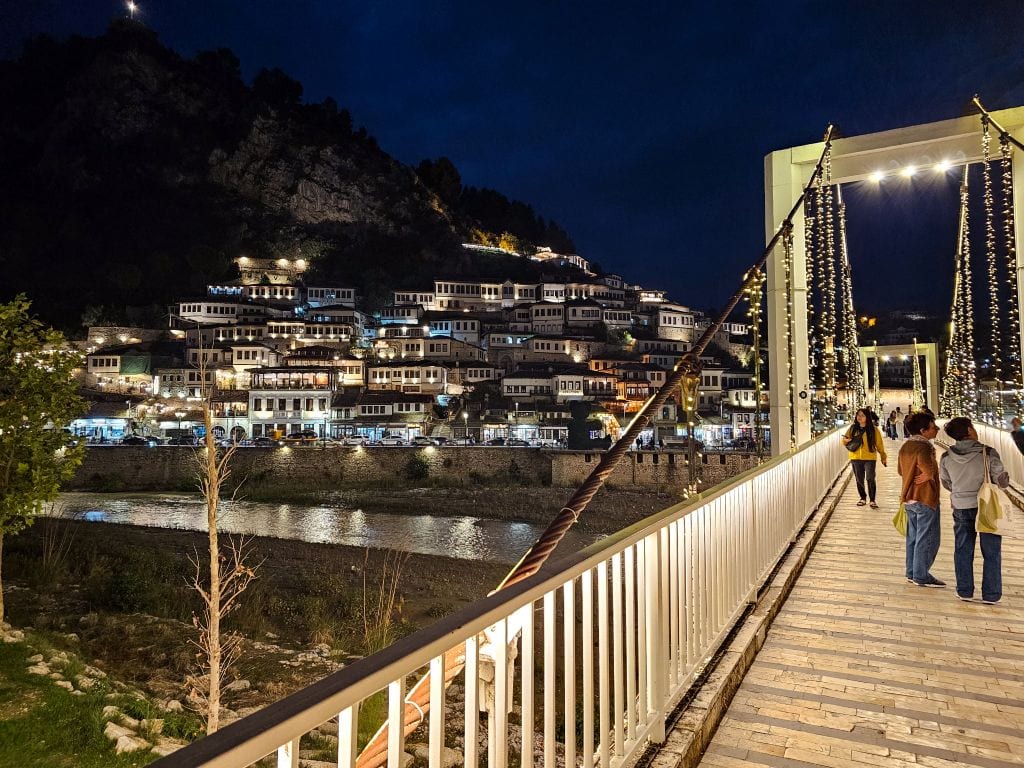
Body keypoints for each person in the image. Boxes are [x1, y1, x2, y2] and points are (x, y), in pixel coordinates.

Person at [940, 417, 1009, 604]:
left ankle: (964, 591)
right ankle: (991, 594)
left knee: (962, 550)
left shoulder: (946, 457)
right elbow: (1002, 481)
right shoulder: (988, 452)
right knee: (992, 552)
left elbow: (946, 483)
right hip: (987, 507)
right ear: (970, 430)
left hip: (961, 506)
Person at [898, 411, 943, 588]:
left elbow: (900, 471)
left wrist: (914, 474)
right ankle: (921, 575)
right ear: (924, 430)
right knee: (928, 538)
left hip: (908, 497)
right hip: (925, 497)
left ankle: (912, 572)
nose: (937, 429)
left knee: (913, 537)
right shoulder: (924, 447)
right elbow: (928, 469)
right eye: (933, 427)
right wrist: (928, 474)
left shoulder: (905, 446)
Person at [841, 408, 887, 508]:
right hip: (855, 457)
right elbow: (844, 441)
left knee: (870, 478)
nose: (859, 417)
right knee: (859, 479)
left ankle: (872, 499)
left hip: (870, 457)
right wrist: (846, 440)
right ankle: (862, 498)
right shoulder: (853, 428)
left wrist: (883, 456)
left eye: (862, 415)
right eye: (858, 415)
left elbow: (879, 444)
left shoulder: (874, 429)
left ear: (867, 417)